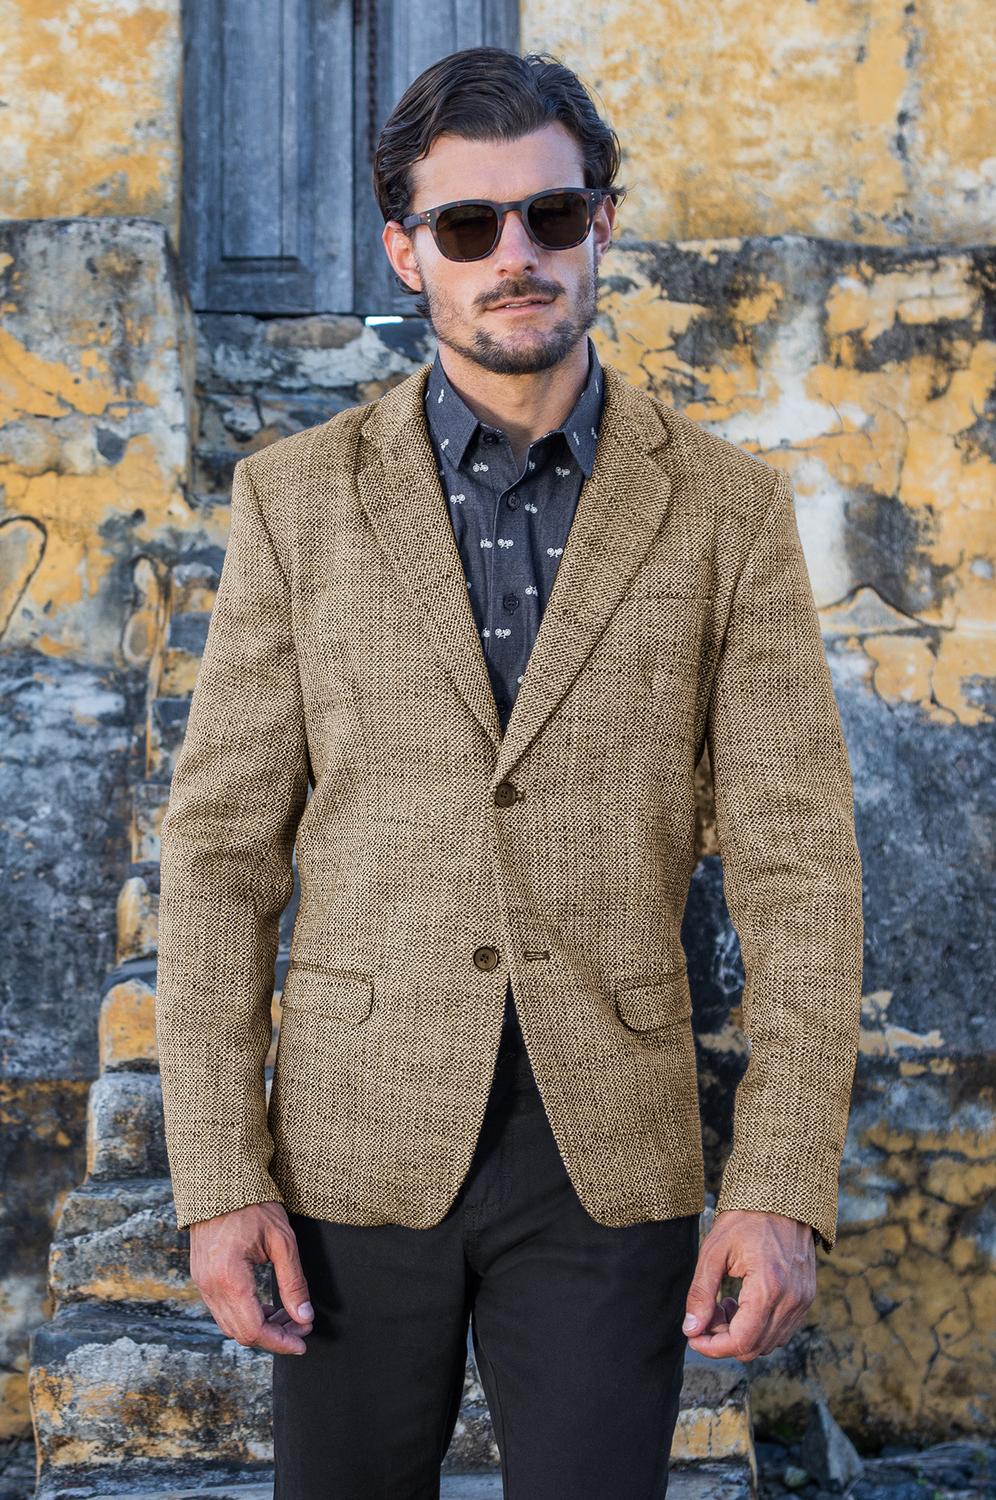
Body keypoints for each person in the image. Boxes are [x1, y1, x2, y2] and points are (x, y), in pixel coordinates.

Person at [155, 46, 864, 1500]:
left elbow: (799, 866)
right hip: (353, 1139)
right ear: (405, 252)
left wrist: (783, 1184)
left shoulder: (725, 508)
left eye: (549, 214)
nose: (514, 256)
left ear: (601, 223)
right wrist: (219, 1176)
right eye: (468, 225)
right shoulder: (297, 502)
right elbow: (222, 856)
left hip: (609, 1145)